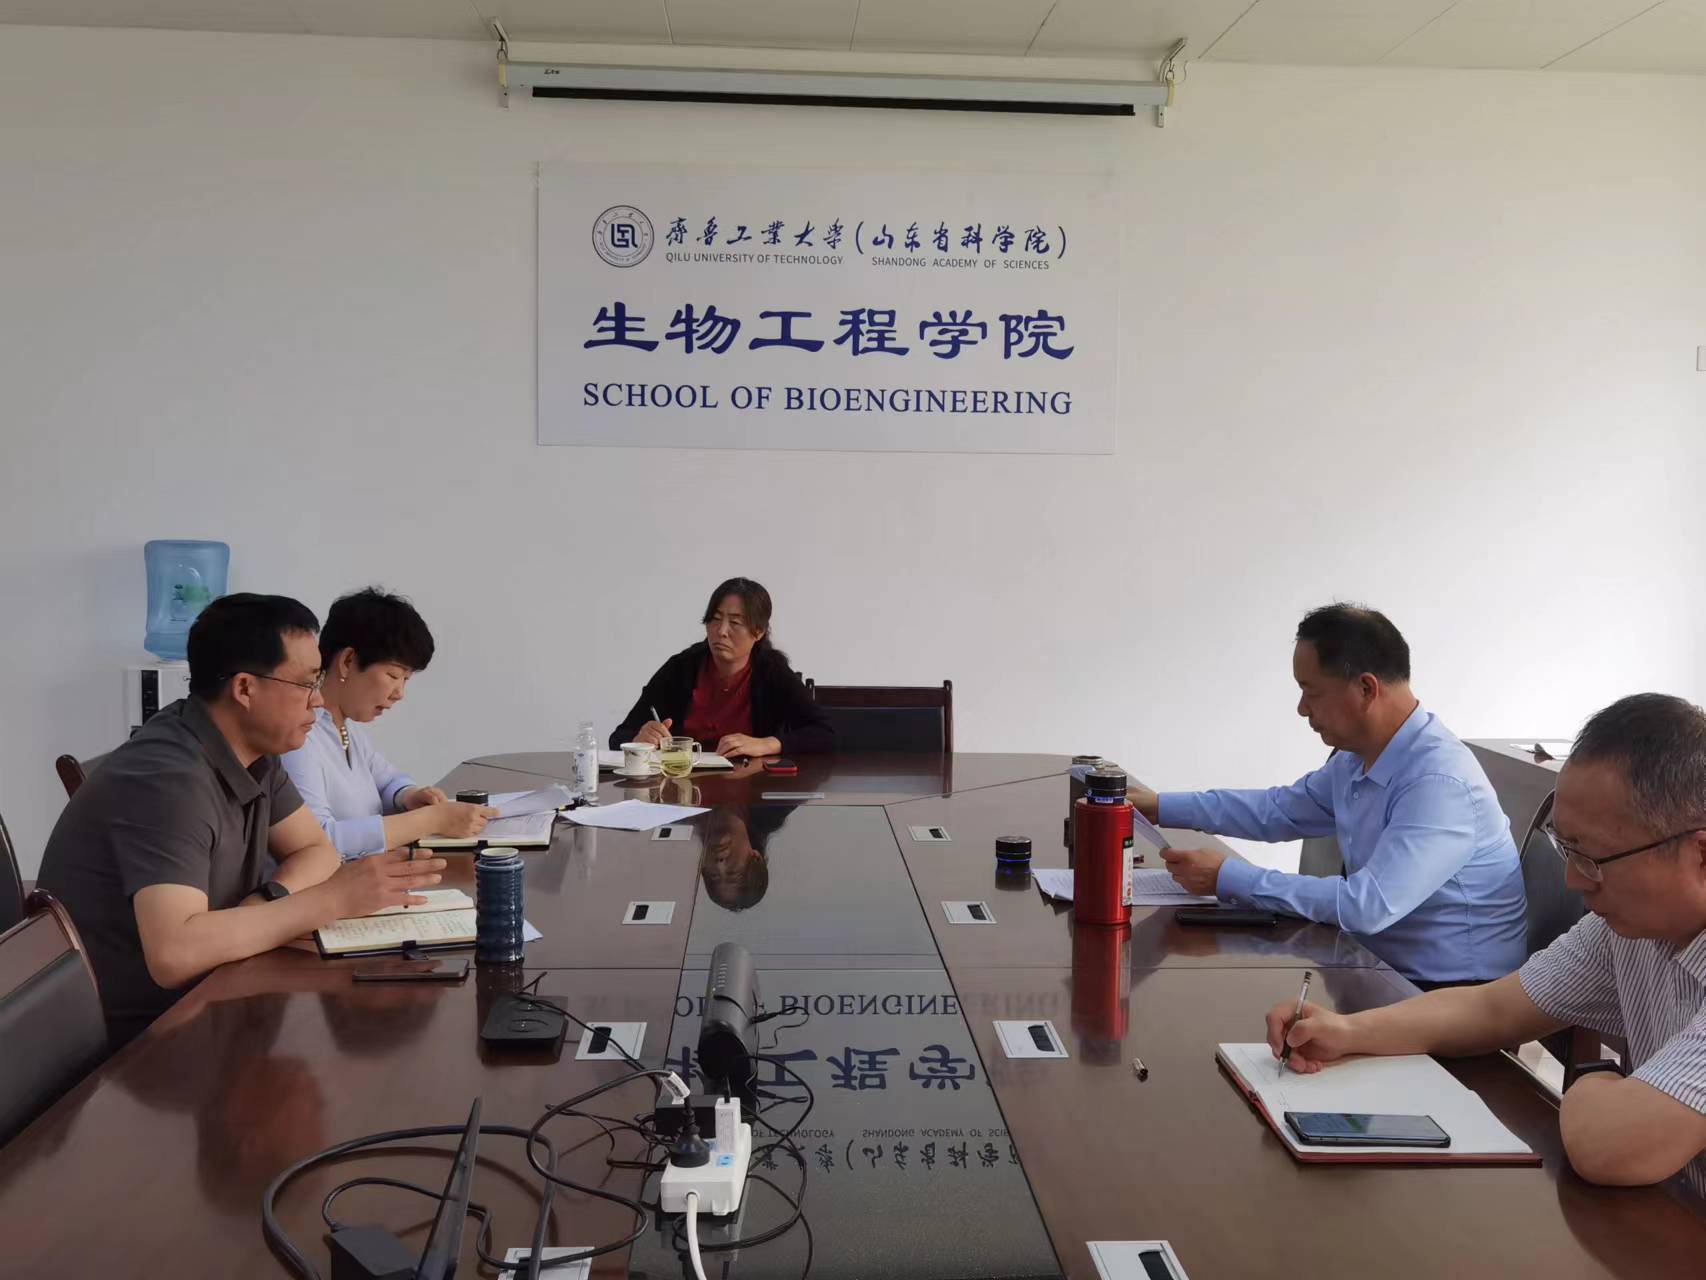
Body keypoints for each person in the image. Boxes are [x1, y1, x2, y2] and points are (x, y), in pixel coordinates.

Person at [1265, 693, 1706, 1194]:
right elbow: (1492, 1008)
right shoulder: (1626, 931)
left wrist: (1594, 1081)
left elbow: (1608, 1146)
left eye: (1593, 859)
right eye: (1567, 849)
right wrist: (1347, 1031)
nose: (1573, 880)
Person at [35, 593, 445, 1047]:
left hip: (212, 998)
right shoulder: (168, 779)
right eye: (306, 683)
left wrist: (268, 902)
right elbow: (175, 953)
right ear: (245, 689)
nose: (318, 700)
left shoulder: (254, 751)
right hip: (134, 1049)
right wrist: (332, 899)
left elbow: (317, 850)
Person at [1129, 603, 1525, 987]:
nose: (1302, 709)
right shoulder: (1357, 758)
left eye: (1311, 692)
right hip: (1377, 966)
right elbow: (1278, 810)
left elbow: (1367, 905)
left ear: (1366, 688)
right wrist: (1160, 807)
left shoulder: (1439, 782)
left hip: (1451, 992)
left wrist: (1226, 877)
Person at [281, 587, 495, 858]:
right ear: (348, 661)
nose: (399, 693)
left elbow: (387, 780)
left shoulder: (346, 728)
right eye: (393, 676)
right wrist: (431, 820)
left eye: (406, 680)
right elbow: (317, 840)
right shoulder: (300, 738)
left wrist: (408, 795)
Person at [610, 577, 833, 758]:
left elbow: (826, 733)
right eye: (715, 619)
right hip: (683, 787)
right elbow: (619, 736)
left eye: (735, 622)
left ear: (758, 632)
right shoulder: (681, 668)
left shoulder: (771, 671)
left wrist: (766, 744)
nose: (721, 631)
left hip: (751, 787)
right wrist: (638, 740)